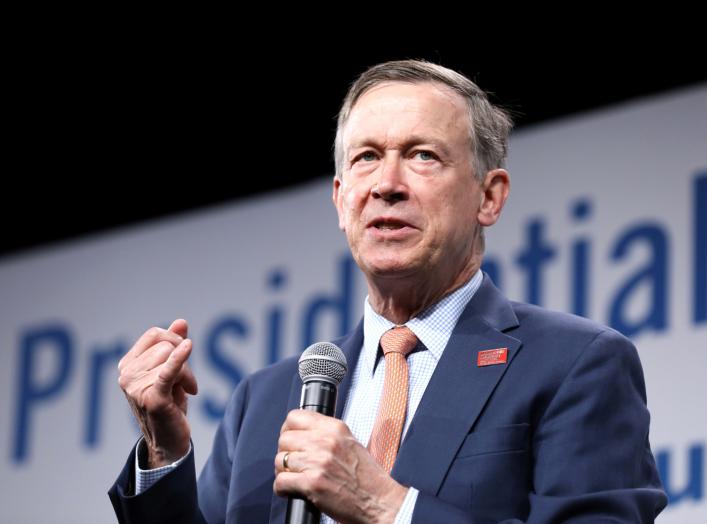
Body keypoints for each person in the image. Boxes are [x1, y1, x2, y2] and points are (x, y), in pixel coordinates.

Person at [109, 60, 667, 523]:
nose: (386, 185)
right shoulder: (264, 399)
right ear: (339, 198)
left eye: (423, 155)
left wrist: (387, 506)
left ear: (489, 197)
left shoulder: (574, 364)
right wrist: (163, 448)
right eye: (366, 158)